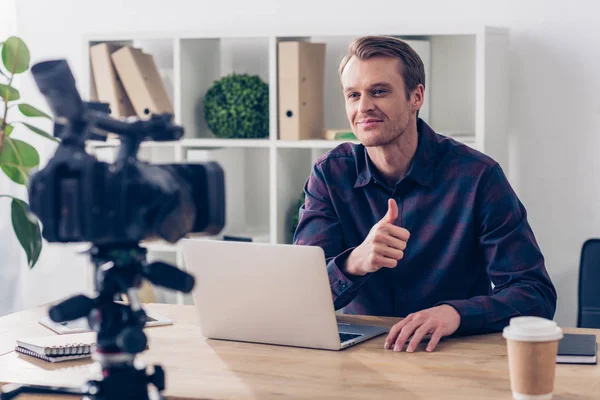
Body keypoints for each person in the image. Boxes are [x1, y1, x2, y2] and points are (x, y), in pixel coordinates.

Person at [293, 36, 557, 353]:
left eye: (379, 91)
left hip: (449, 352)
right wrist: (355, 261)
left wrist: (455, 314)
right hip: (362, 356)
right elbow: (301, 295)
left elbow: (534, 293)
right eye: (353, 95)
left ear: (416, 97)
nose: (363, 107)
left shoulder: (478, 177)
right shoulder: (330, 175)